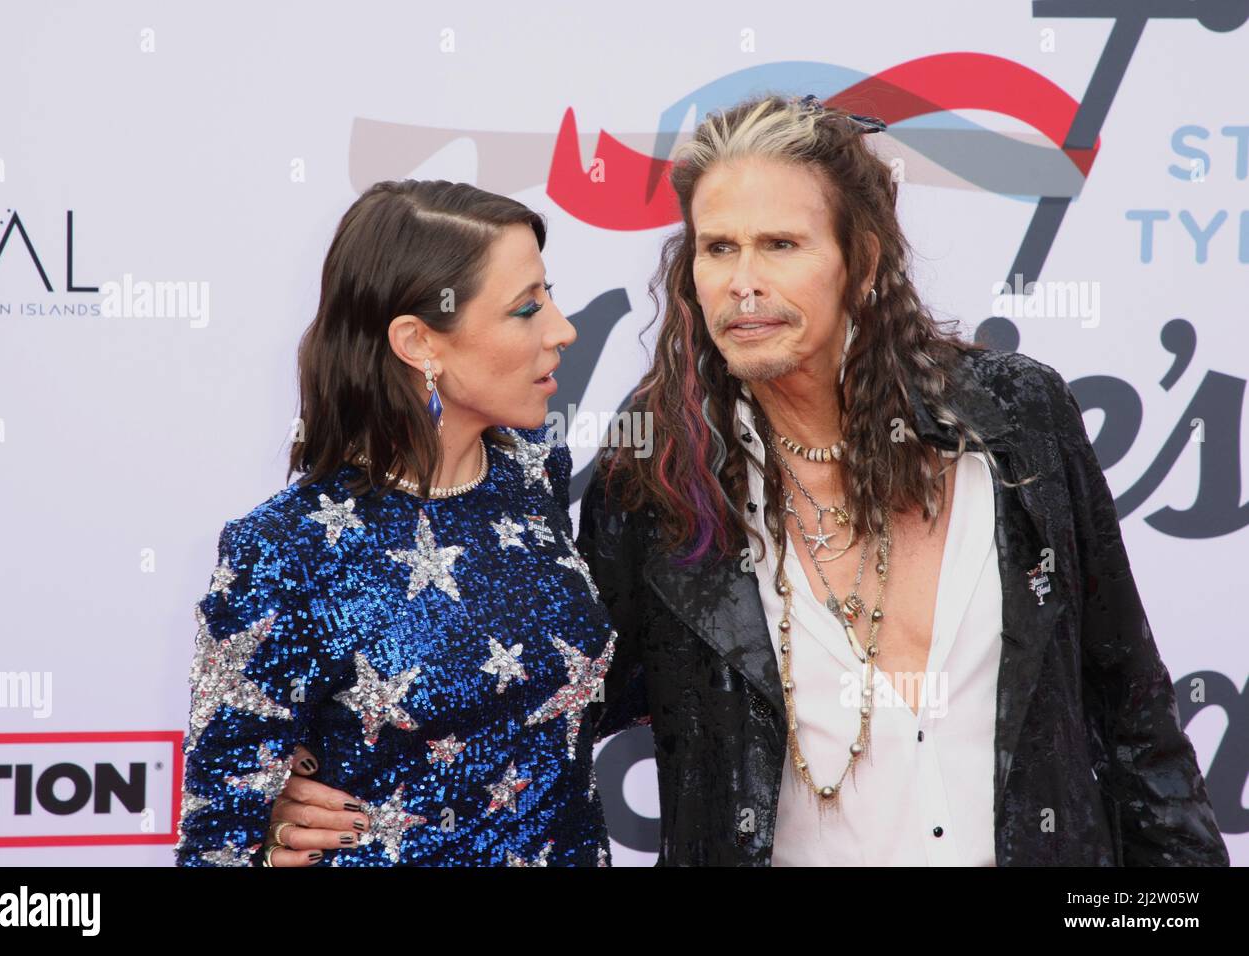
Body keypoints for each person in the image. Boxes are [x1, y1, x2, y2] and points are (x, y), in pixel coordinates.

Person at [267, 94, 1229, 866]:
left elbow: (1133, 710)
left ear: (860, 260)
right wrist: (317, 773)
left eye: (781, 245)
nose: (742, 282)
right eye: (718, 248)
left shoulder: (1017, 422)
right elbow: (541, 701)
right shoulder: (656, 483)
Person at [174, 180, 620, 867]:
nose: (562, 329)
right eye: (526, 308)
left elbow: (550, 699)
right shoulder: (281, 553)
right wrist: (269, 844)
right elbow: (217, 844)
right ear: (420, 343)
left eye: (548, 296)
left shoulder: (535, 474)